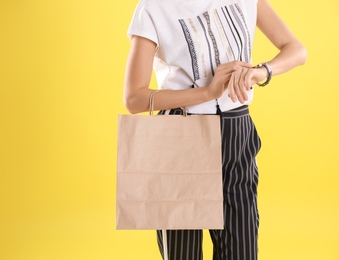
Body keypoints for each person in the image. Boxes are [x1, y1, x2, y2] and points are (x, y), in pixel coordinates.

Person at [123, 0, 306, 259]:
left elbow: (297, 50)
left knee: (241, 251)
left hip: (237, 131)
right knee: (181, 253)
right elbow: (134, 98)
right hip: (180, 136)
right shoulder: (154, 7)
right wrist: (207, 92)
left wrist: (259, 72)